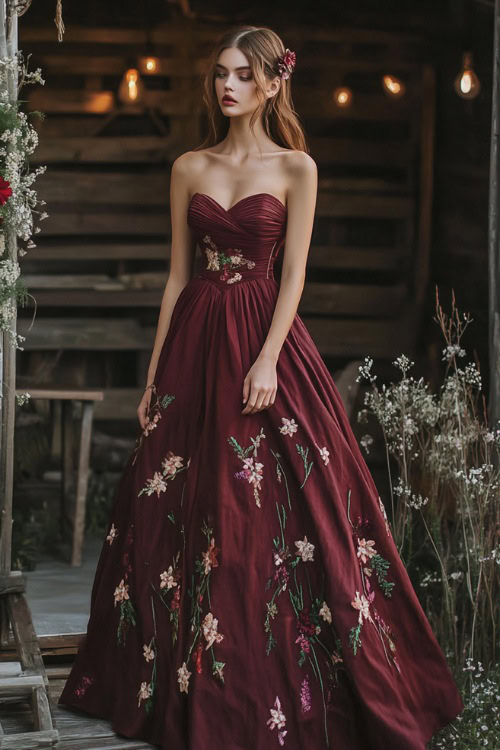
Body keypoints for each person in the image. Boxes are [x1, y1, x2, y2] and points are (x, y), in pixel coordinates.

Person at [58, 24, 463, 750]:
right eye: (221, 73)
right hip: (195, 342)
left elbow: (293, 275)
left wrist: (270, 359)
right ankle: (176, 679)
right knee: (174, 499)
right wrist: (153, 378)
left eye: (245, 74)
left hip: (263, 340)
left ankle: (275, 682)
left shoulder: (297, 167)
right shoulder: (189, 165)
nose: (229, 85)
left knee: (269, 509)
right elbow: (179, 277)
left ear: (275, 83)